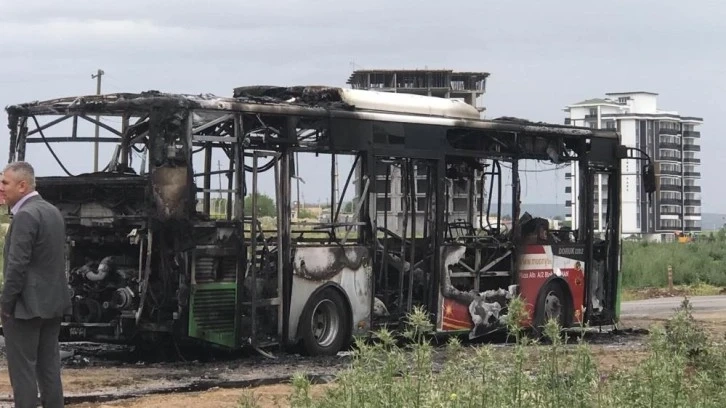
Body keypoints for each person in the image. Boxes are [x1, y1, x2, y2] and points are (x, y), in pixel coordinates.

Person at [0, 161, 70, 408]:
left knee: (23, 374)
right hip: (52, 305)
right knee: (49, 368)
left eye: (4, 182)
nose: (1, 188)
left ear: (22, 185)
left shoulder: (26, 215)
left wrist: (5, 305)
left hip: (25, 309)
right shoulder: (52, 211)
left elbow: (17, 267)